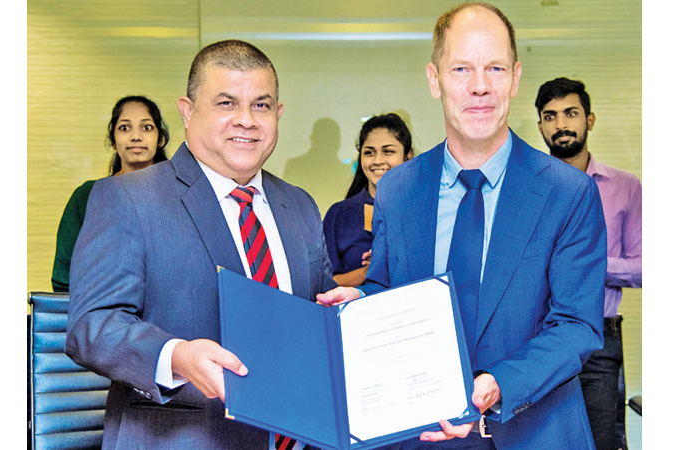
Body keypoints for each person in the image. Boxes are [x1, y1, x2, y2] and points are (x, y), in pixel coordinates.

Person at [318, 3, 607, 449]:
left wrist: (498, 383)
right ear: (435, 79)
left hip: (534, 430)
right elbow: (388, 286)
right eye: (461, 69)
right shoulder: (398, 188)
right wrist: (360, 299)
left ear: (514, 78)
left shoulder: (568, 193)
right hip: (418, 432)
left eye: (495, 68)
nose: (479, 87)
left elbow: (576, 324)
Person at [65, 39, 337, 450]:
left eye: (261, 106)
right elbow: (91, 326)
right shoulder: (127, 198)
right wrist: (175, 357)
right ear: (188, 111)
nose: (246, 120)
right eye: (226, 103)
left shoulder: (299, 205)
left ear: (278, 114)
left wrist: (345, 313)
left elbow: (318, 319)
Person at [536, 77, 642, 450]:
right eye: (550, 116)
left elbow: (644, 267)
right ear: (540, 126)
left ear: (590, 119)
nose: (561, 124)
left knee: (600, 443)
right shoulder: (526, 189)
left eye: (571, 113)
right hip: (537, 338)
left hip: (600, 338)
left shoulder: (626, 186)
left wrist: (586, 263)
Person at [50, 95, 169, 292]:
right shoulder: (86, 196)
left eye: (146, 127)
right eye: (125, 128)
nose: (136, 136)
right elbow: (63, 278)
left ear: (160, 139)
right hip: (101, 316)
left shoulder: (180, 195)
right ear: (113, 141)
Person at [322, 113, 414, 287]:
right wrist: (367, 271)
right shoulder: (339, 214)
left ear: (407, 156)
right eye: (369, 152)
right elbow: (324, 284)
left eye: (388, 151)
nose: (378, 160)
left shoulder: (423, 209)